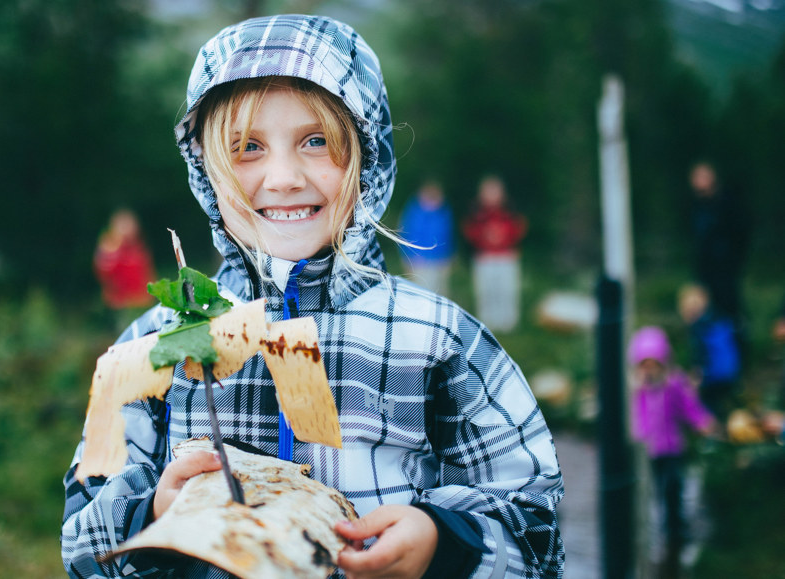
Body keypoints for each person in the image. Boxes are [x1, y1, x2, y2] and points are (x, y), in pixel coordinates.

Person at [61, 15, 564, 579]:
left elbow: (535, 529)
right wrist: (152, 520)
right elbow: (82, 542)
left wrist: (441, 545)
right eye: (247, 147)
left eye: (316, 141)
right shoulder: (155, 344)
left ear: (368, 159)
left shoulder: (438, 339)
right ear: (206, 169)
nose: (282, 177)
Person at [628, 326, 715, 577]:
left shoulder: (673, 384)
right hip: (648, 453)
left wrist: (703, 422)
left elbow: (689, 408)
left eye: (653, 364)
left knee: (675, 491)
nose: (649, 370)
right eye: (644, 365)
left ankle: (679, 537)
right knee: (653, 497)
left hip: (672, 449)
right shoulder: (637, 390)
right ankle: (657, 540)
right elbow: (635, 419)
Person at [461, 175, 528, 332]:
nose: (492, 195)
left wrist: (503, 236)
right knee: (486, 291)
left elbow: (519, 228)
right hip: (484, 257)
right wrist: (485, 236)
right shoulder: (476, 212)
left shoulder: (510, 210)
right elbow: (468, 231)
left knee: (507, 291)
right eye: (488, 191)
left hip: (506, 256)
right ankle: (487, 325)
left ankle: (508, 325)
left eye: (495, 191)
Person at [687, 161, 750, 324]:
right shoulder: (697, 207)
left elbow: (740, 234)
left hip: (726, 268)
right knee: (705, 312)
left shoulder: (726, 203)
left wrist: (734, 260)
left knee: (729, 310)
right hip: (706, 270)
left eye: (703, 176)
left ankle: (735, 339)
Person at [677, 283, 742, 426]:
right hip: (729, 373)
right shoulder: (719, 319)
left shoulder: (698, 327)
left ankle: (713, 434)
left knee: (708, 408)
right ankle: (728, 429)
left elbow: (700, 353)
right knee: (724, 405)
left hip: (710, 376)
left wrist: (695, 376)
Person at [397, 180, 455, 296]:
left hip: (439, 262)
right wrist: (406, 258)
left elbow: (448, 237)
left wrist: (449, 257)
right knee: (420, 295)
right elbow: (404, 236)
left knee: (440, 295)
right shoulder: (413, 212)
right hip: (418, 262)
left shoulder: (444, 212)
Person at [93, 208, 156, 311]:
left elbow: (147, 273)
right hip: (118, 304)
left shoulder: (138, 247)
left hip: (141, 302)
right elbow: (103, 273)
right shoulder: (110, 247)